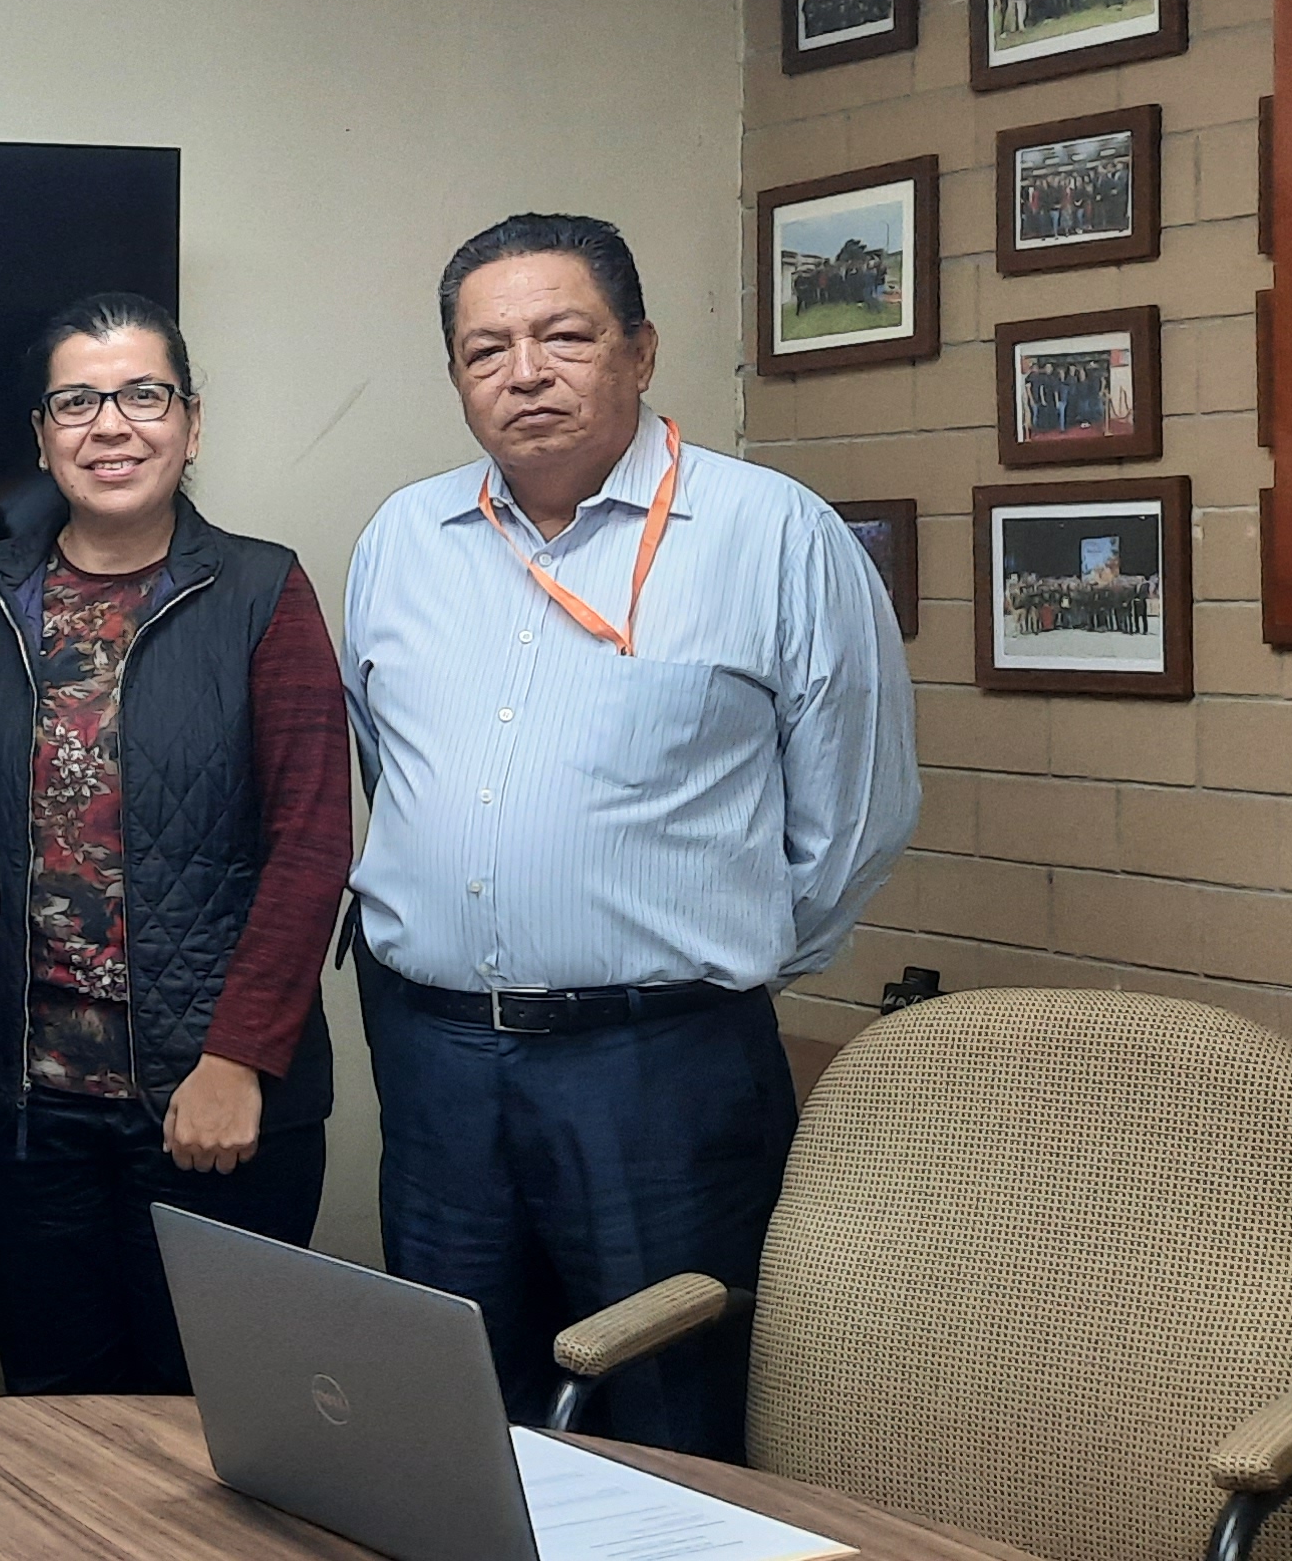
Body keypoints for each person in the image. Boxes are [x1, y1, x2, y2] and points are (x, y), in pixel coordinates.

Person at [343, 215, 916, 1461]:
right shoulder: (401, 539)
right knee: (457, 1420)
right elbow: (394, 775)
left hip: (656, 1071)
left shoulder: (771, 535)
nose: (524, 373)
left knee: (668, 1414)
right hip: (438, 1064)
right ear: (454, 376)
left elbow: (854, 813)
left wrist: (704, 956)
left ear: (641, 350)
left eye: (564, 336)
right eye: (484, 349)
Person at [0, 294, 353, 1397]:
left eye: (141, 396)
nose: (108, 425)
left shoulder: (261, 588)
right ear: (40, 434)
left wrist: (236, 1061)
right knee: (60, 1426)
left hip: (211, 1104)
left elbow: (311, 845)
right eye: (76, 400)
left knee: (218, 1424)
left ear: (191, 424)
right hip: (26, 1109)